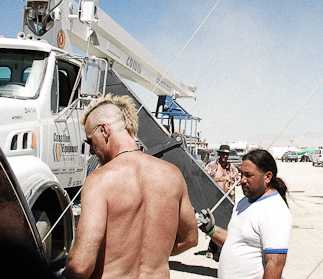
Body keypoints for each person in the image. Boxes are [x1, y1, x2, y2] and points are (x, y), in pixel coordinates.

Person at [64, 94, 198, 278]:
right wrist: (155, 254)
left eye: (90, 141)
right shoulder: (172, 175)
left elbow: (81, 266)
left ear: (104, 130)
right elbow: (190, 239)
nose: (92, 150)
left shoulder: (100, 181)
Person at [197, 149, 292, 279]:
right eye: (242, 174)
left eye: (248, 175)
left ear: (267, 177)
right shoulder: (244, 202)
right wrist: (211, 229)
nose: (242, 180)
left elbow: (275, 264)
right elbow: (234, 240)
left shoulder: (274, 210)